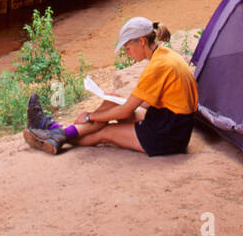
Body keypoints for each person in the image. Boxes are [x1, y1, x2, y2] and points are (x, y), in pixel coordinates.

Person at [23, 16, 198, 157]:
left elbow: (125, 112)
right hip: (168, 120)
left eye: (128, 47)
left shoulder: (157, 66)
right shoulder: (164, 56)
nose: (127, 53)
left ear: (142, 41)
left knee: (105, 133)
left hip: (169, 134)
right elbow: (145, 103)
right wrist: (113, 100)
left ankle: (55, 132)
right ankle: (57, 132)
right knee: (113, 101)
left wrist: (89, 116)